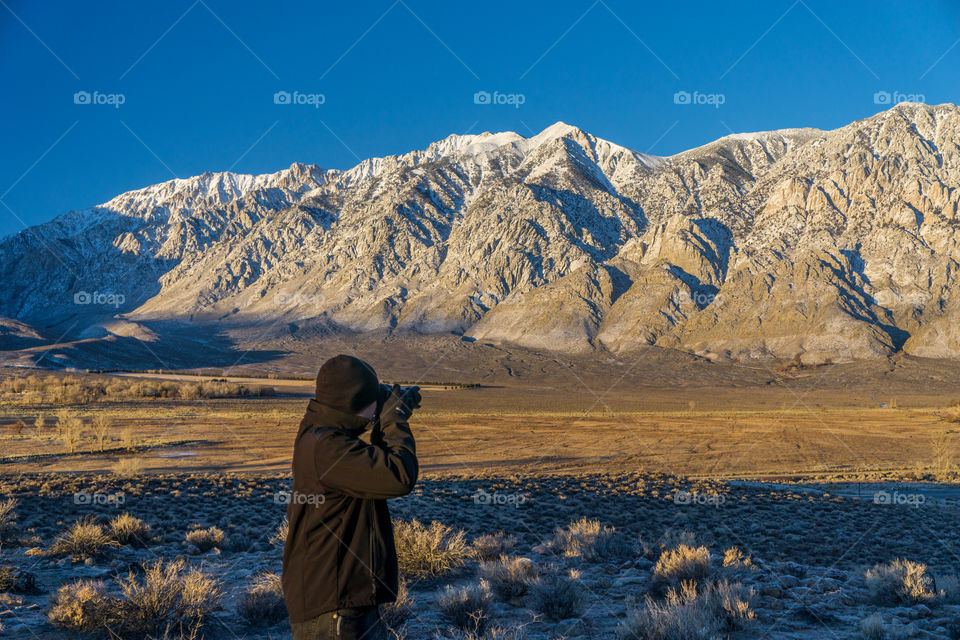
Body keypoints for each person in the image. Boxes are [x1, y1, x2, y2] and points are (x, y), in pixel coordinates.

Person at [282, 355, 420, 640]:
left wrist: (383, 405)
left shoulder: (320, 433)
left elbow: (375, 465)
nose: (373, 415)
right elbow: (398, 475)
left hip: (341, 601)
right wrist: (393, 419)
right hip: (334, 609)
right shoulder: (327, 447)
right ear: (352, 402)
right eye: (371, 406)